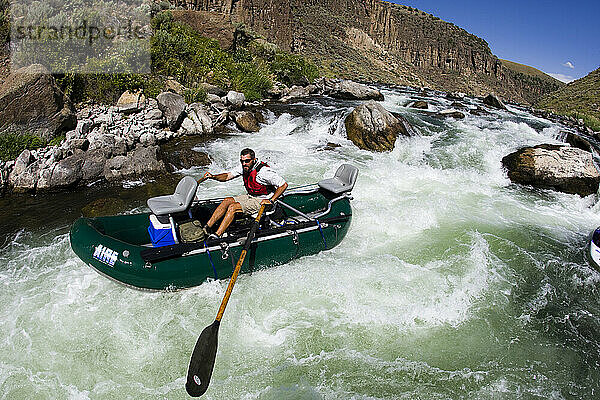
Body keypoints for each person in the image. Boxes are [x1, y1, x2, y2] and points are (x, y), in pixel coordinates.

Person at [200, 148, 288, 238]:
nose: (244, 163)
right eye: (242, 161)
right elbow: (227, 176)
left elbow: (283, 185)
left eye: (247, 161)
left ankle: (216, 235)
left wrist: (271, 200)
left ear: (254, 160)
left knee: (233, 207)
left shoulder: (264, 172)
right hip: (251, 196)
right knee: (227, 201)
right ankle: (206, 228)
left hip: (263, 200)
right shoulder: (244, 167)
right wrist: (213, 177)